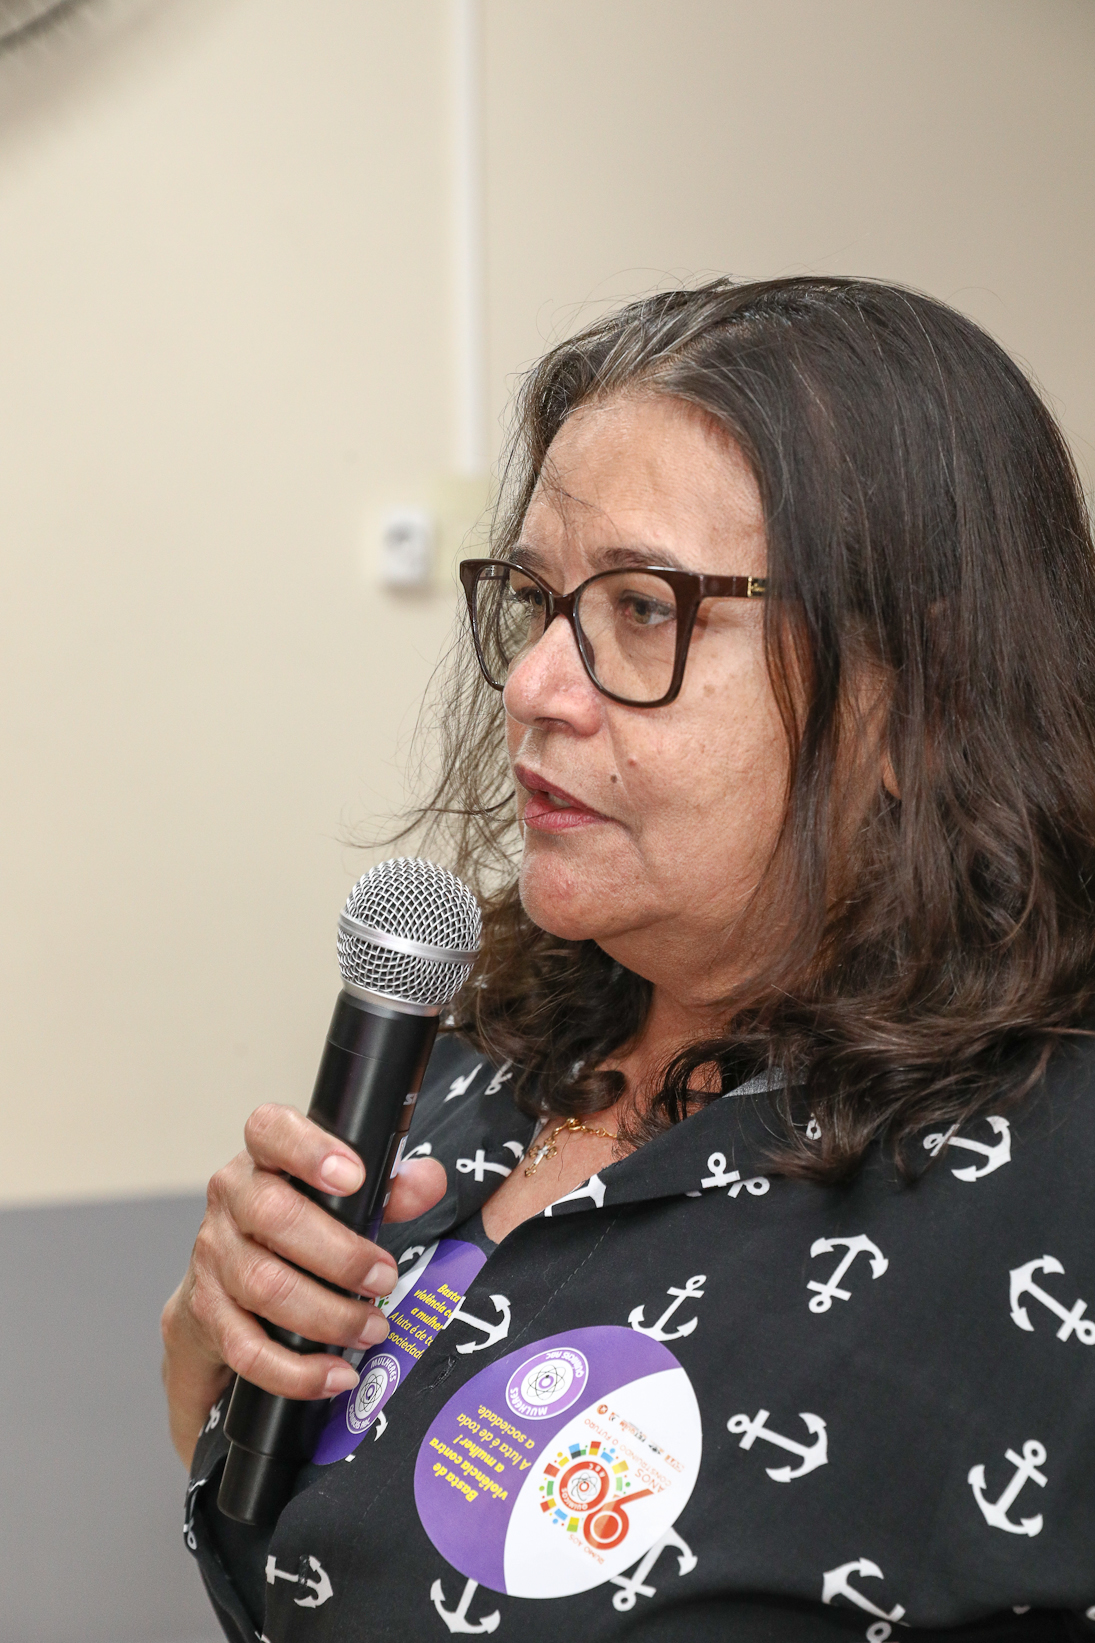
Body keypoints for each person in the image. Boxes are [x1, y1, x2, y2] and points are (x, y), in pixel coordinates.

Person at [162, 277, 1095, 1641]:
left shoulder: (1050, 1189)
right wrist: (215, 1350)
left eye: (644, 608)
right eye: (539, 602)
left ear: (921, 694)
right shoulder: (487, 1052)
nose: (534, 685)